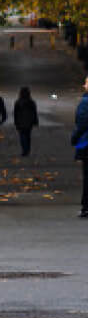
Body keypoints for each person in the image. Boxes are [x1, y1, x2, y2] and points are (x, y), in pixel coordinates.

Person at [73, 76, 88, 218]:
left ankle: (86, 207)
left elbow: (82, 123)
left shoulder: (85, 102)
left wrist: (75, 138)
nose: (84, 85)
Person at [13, 85, 38, 156]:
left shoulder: (18, 102)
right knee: (28, 136)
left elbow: (15, 113)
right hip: (29, 121)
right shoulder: (31, 102)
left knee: (22, 136)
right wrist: (35, 121)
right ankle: (27, 149)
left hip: (20, 121)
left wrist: (16, 122)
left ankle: (24, 149)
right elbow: (34, 113)